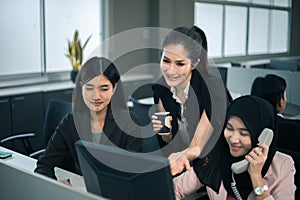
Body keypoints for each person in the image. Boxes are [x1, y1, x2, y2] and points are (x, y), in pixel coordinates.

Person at [34, 56, 142, 181]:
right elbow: (44, 165)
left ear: (114, 89)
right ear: (81, 87)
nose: (96, 96)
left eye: (104, 88)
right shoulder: (70, 122)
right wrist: (57, 186)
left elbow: (132, 173)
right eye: (89, 88)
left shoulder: (129, 122)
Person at [174, 95, 296, 200]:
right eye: (229, 128)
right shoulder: (216, 154)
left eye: (244, 133)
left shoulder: (283, 165)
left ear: (262, 136)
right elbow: (175, 189)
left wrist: (256, 176)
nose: (233, 139)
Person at [151, 25, 230, 175]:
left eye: (180, 64)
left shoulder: (212, 89)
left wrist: (175, 158)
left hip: (216, 164)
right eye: (166, 61)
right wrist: (166, 137)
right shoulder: (161, 88)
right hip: (184, 165)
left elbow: (196, 148)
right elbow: (170, 142)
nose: (170, 70)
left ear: (194, 64)